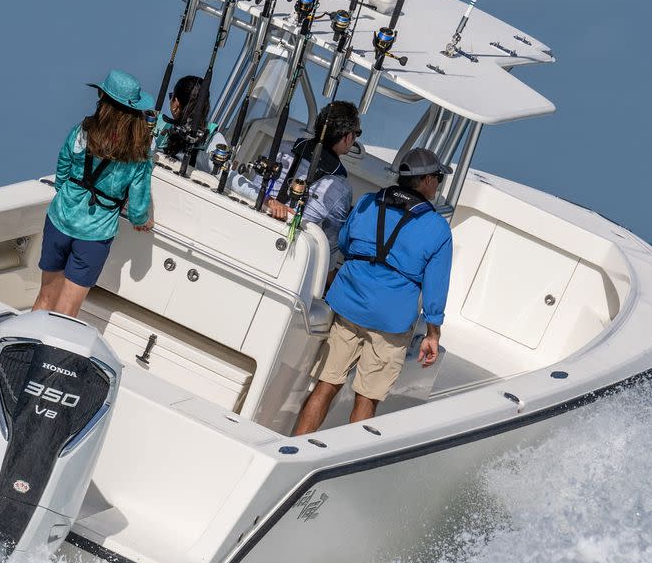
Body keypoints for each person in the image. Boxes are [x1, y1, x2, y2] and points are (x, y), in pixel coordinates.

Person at [292, 147, 454, 435]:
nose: (438, 183)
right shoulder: (437, 228)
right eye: (438, 177)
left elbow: (344, 241)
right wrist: (433, 333)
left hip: (348, 305)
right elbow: (435, 288)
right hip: (390, 321)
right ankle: (346, 461)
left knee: (327, 384)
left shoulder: (368, 202)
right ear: (427, 179)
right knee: (367, 397)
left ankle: (296, 444)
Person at [34, 69, 156, 317]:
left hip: (60, 219)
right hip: (94, 235)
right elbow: (137, 208)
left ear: (103, 99)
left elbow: (63, 169)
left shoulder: (83, 130)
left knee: (45, 298)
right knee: (66, 311)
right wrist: (144, 221)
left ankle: (26, 352)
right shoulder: (140, 153)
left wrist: (69, 198)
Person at [230, 101, 360, 260]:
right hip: (285, 252)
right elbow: (330, 242)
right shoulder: (342, 188)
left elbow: (255, 189)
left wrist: (269, 202)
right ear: (347, 137)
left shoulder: (281, 148)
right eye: (357, 133)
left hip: (247, 228)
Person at [153, 75, 229, 174]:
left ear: (176, 104)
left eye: (171, 96)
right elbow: (226, 174)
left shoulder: (156, 124)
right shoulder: (214, 139)